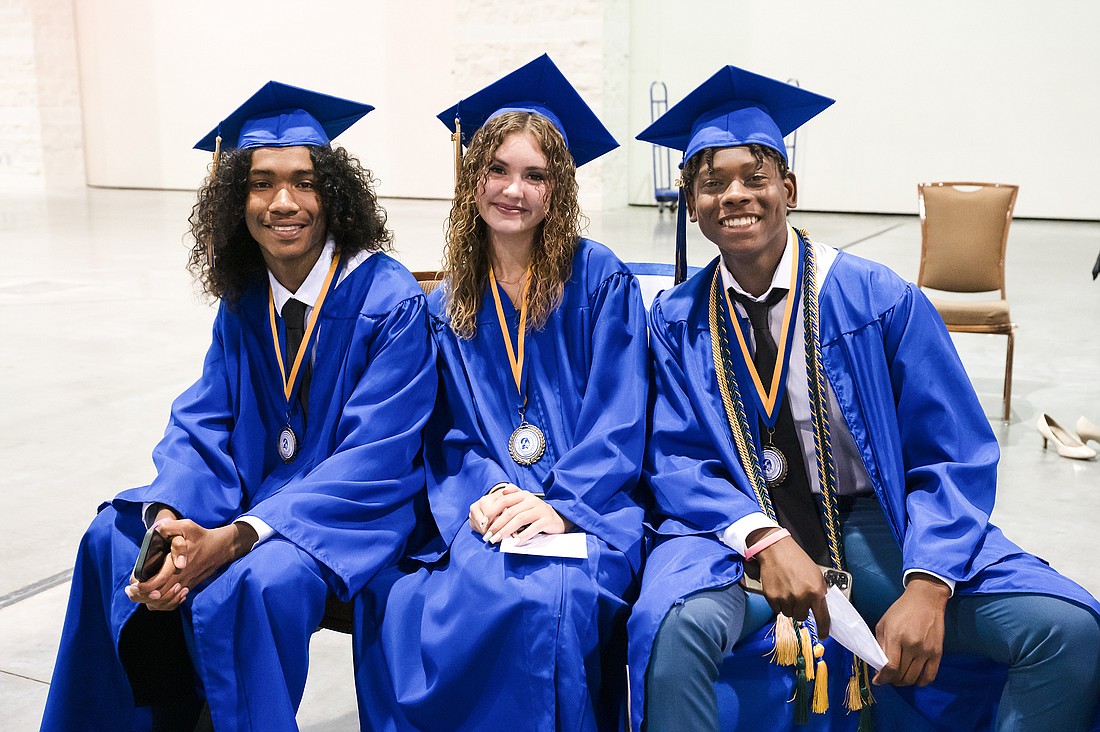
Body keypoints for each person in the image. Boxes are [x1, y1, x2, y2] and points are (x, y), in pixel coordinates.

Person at [628, 65, 1100, 731]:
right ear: (691, 201)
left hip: (873, 522)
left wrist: (929, 582)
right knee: (672, 627)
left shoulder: (877, 300)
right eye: (712, 183)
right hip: (739, 532)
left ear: (789, 189)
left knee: (1066, 630)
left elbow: (954, 452)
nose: (734, 195)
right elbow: (675, 458)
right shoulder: (677, 321)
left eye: (755, 177)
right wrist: (760, 536)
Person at [41, 82, 437, 732]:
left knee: (254, 581)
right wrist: (172, 515)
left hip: (346, 513)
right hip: (248, 492)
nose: (283, 202)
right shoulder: (246, 297)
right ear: (236, 200)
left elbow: (379, 457)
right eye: (261, 183)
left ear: (334, 194)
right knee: (115, 537)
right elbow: (204, 422)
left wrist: (237, 536)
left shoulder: (387, 301)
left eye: (304, 182)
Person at [353, 55, 647, 731]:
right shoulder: (446, 301)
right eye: (497, 169)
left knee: (547, 597)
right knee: (400, 598)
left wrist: (559, 506)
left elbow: (619, 419)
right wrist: (487, 493)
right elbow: (443, 432)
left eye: (535, 175)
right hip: (483, 507)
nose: (513, 190)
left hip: (586, 511)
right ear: (472, 177)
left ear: (558, 189)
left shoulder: (599, 280)